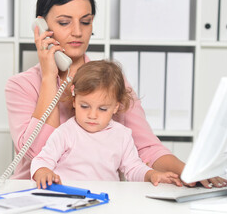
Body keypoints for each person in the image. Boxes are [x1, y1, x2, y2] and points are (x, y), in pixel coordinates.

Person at [5, 0, 227, 188]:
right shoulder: (20, 86)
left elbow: (147, 147)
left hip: (99, 196)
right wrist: (48, 78)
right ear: (41, 28)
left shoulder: (110, 81)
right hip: (37, 194)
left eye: (86, 22)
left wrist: (191, 173)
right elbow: (38, 153)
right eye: (64, 22)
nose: (77, 32)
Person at [31, 60, 183, 189]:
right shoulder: (66, 132)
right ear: (74, 98)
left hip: (107, 199)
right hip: (68, 196)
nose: (92, 115)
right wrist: (43, 171)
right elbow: (42, 160)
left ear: (116, 107)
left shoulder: (122, 135)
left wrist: (151, 174)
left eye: (103, 109)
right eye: (85, 106)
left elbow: (133, 168)